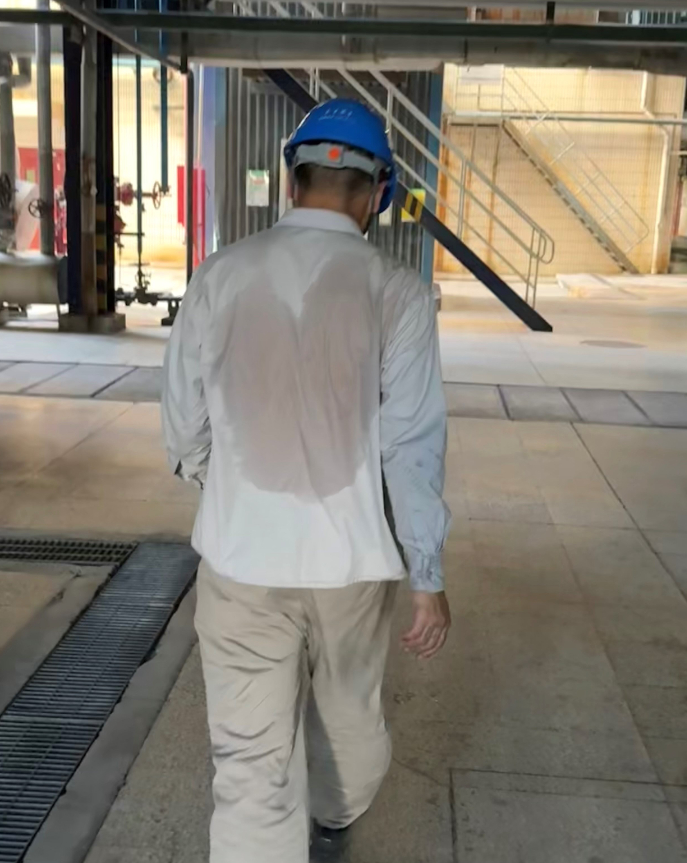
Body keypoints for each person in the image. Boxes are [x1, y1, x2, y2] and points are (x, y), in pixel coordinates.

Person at [162, 97, 451, 863]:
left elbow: (183, 420)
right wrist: (427, 574)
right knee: (350, 726)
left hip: (240, 562)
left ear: (291, 181)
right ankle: (331, 818)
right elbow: (411, 445)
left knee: (250, 762)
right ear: (377, 194)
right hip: (350, 566)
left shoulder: (219, 275)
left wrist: (225, 488)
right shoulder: (399, 293)